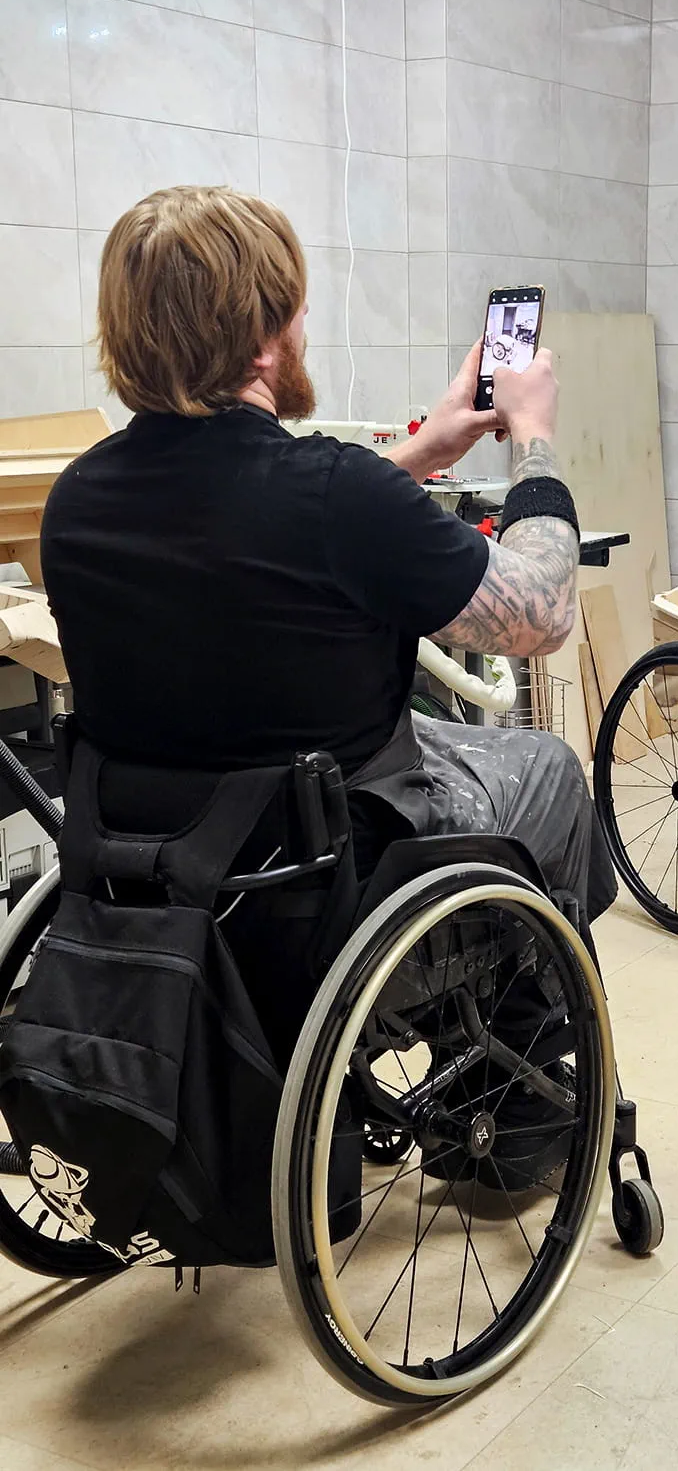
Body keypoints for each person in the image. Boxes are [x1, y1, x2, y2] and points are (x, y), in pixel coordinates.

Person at [40, 187, 617, 1092]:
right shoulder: (331, 493)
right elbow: (540, 613)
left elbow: (251, 525)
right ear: (263, 342)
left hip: (156, 876)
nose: (304, 325)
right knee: (546, 768)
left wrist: (422, 451)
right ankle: (520, 1106)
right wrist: (534, 445)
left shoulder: (76, 502)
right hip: (322, 886)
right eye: (295, 310)